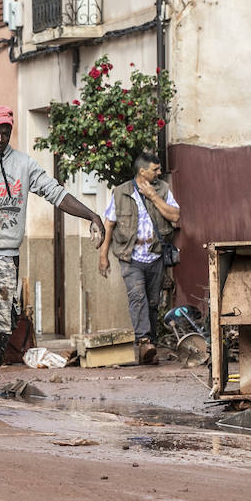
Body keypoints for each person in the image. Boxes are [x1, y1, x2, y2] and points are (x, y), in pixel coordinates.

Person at [0, 105, 105, 418]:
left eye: (5, 132)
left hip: (8, 255)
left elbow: (55, 192)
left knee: (2, 326)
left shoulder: (23, 164)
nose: (0, 138)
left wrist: (92, 215)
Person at [97, 151, 180, 365]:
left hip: (155, 256)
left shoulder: (162, 189)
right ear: (142, 171)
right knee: (137, 298)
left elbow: (175, 216)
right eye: (155, 169)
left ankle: (148, 347)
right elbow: (109, 224)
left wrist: (154, 196)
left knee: (152, 303)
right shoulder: (121, 192)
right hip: (130, 256)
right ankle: (144, 341)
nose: (159, 173)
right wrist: (103, 255)